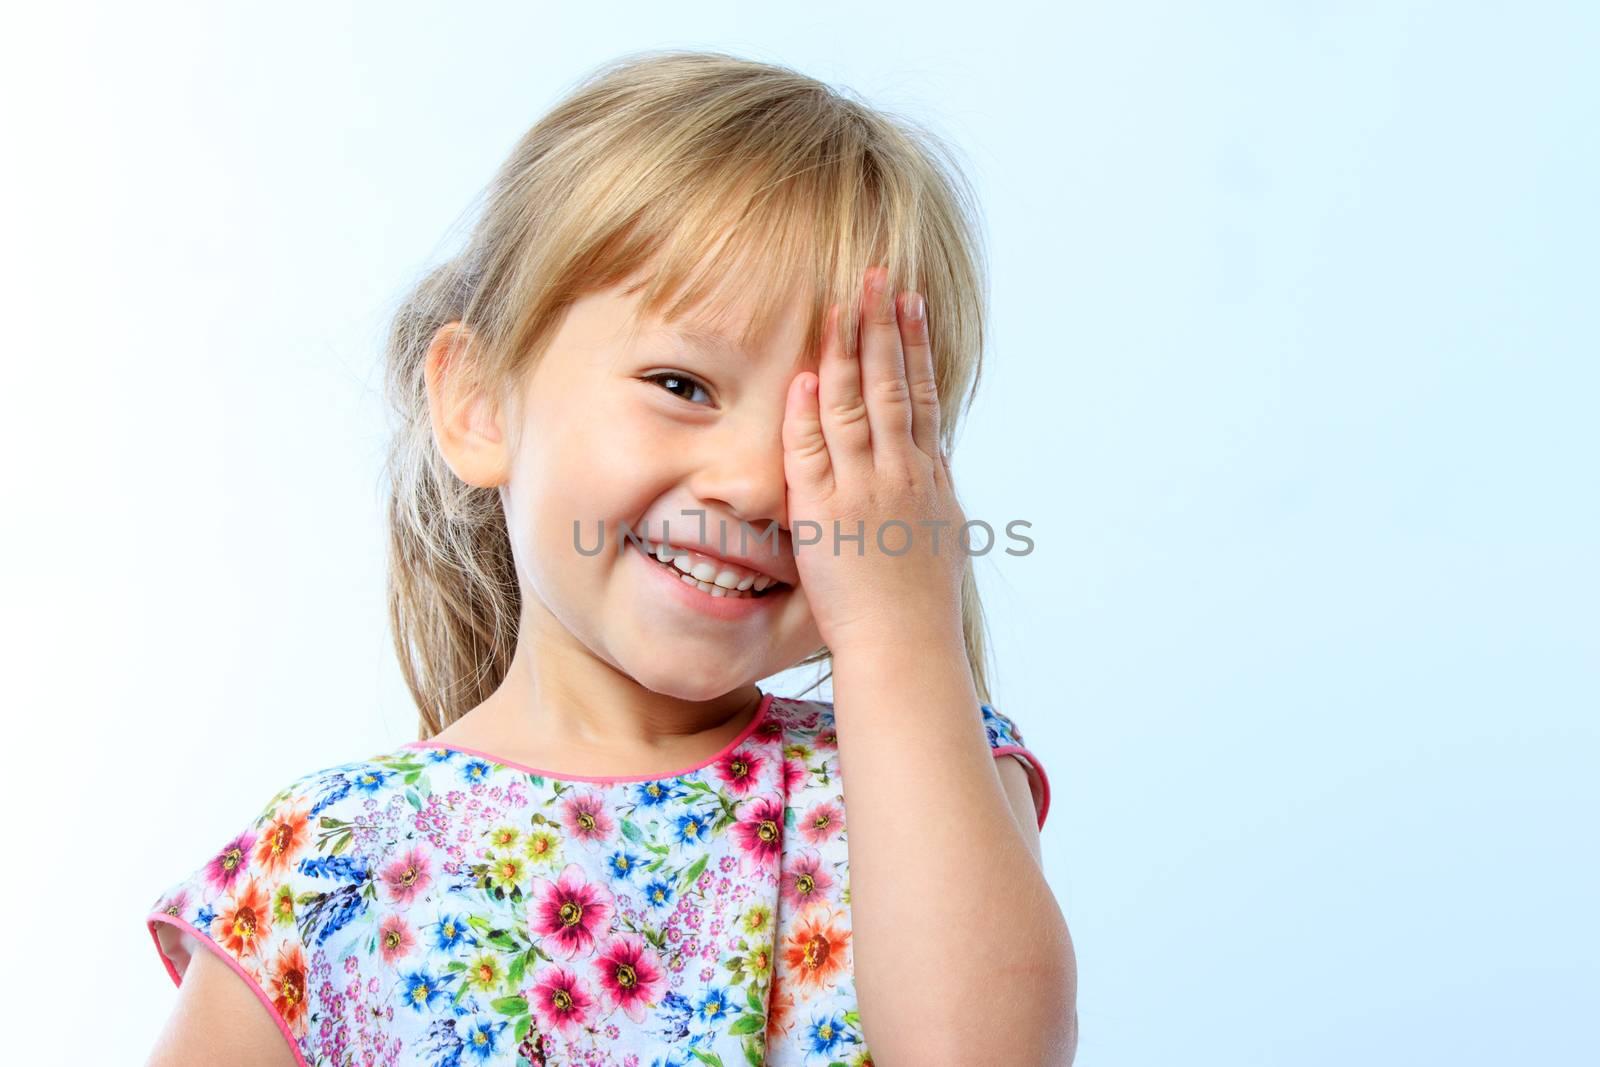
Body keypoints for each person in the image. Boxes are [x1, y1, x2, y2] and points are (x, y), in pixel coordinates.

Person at [142, 48, 1075, 1067]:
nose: (757, 485)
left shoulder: (918, 771)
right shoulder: (323, 862)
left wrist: (900, 628)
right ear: (481, 403)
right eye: (681, 384)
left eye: (841, 428)